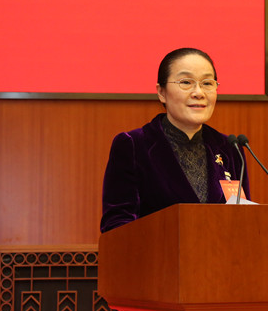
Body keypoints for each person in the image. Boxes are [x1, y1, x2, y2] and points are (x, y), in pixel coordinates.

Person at [100, 47, 250, 233]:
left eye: (207, 83)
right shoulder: (133, 145)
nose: (199, 92)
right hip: (156, 252)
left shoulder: (230, 148)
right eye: (186, 82)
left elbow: (243, 219)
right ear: (161, 92)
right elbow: (117, 226)